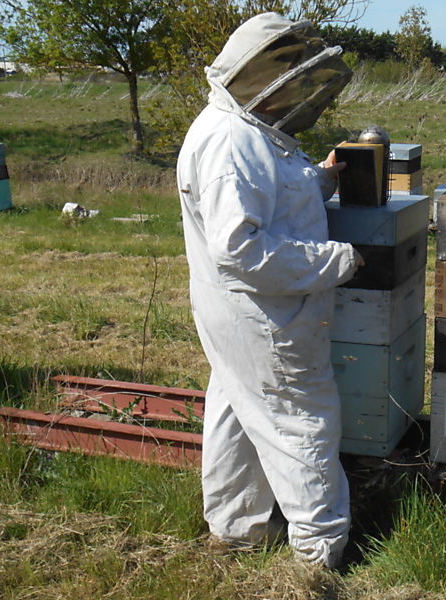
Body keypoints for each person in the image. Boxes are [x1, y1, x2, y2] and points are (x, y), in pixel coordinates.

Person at [176, 12, 362, 568]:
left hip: (235, 316)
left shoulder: (239, 129)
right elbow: (242, 251)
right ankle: (317, 556)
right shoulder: (232, 143)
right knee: (299, 421)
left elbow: (270, 195)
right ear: (254, 77)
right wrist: (339, 260)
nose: (289, 96)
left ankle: (235, 530)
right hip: (267, 318)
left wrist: (320, 178)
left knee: (237, 410)